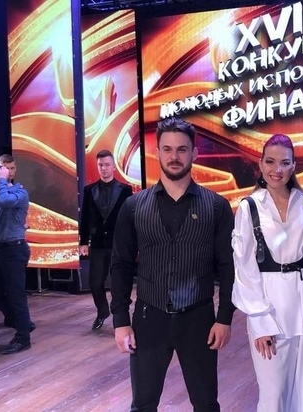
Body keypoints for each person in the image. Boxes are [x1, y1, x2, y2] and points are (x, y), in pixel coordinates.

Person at [110, 117, 235, 412]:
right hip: (148, 318)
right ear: (157, 153)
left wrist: (225, 317)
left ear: (194, 154)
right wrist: (120, 321)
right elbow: (121, 265)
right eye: (167, 149)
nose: (174, 156)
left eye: (181, 149)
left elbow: (228, 267)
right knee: (143, 404)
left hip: (199, 319)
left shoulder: (217, 206)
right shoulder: (133, 207)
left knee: (206, 404)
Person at [231, 134, 303, 412]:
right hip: (270, 309)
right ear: (260, 164)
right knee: (273, 395)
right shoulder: (249, 207)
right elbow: (244, 268)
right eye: (270, 162)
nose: (276, 169)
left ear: (293, 166)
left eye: (284, 163)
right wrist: (260, 320)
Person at [0, 164, 34, 354]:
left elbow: (3, 201)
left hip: (14, 250)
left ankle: (23, 338)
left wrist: (2, 179)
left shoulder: (19, 193)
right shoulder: (1, 196)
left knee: (16, 295)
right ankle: (23, 322)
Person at [79, 149, 133, 330]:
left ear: (113, 166)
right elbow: (85, 217)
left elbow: (130, 218)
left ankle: (120, 318)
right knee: (95, 283)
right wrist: (83, 242)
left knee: (119, 283)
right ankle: (102, 311)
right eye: (100, 165)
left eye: (107, 164)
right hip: (98, 244)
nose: (103, 168)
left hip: (118, 244)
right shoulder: (89, 190)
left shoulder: (125, 190)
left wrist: (132, 242)